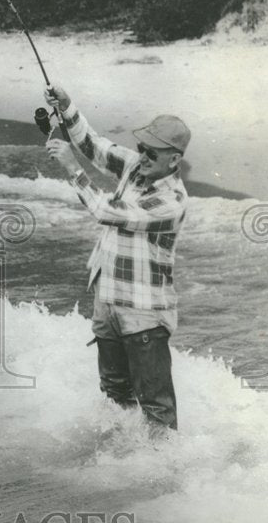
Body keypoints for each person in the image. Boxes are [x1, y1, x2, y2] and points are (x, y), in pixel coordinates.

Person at [43, 86, 190, 433]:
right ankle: (122, 460)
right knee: (114, 394)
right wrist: (67, 109)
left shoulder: (173, 201)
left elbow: (107, 211)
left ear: (174, 160)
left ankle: (163, 473)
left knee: (156, 406)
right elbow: (93, 145)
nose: (142, 155)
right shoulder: (136, 167)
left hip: (143, 313)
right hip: (106, 300)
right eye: (141, 148)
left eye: (151, 152)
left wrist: (72, 169)